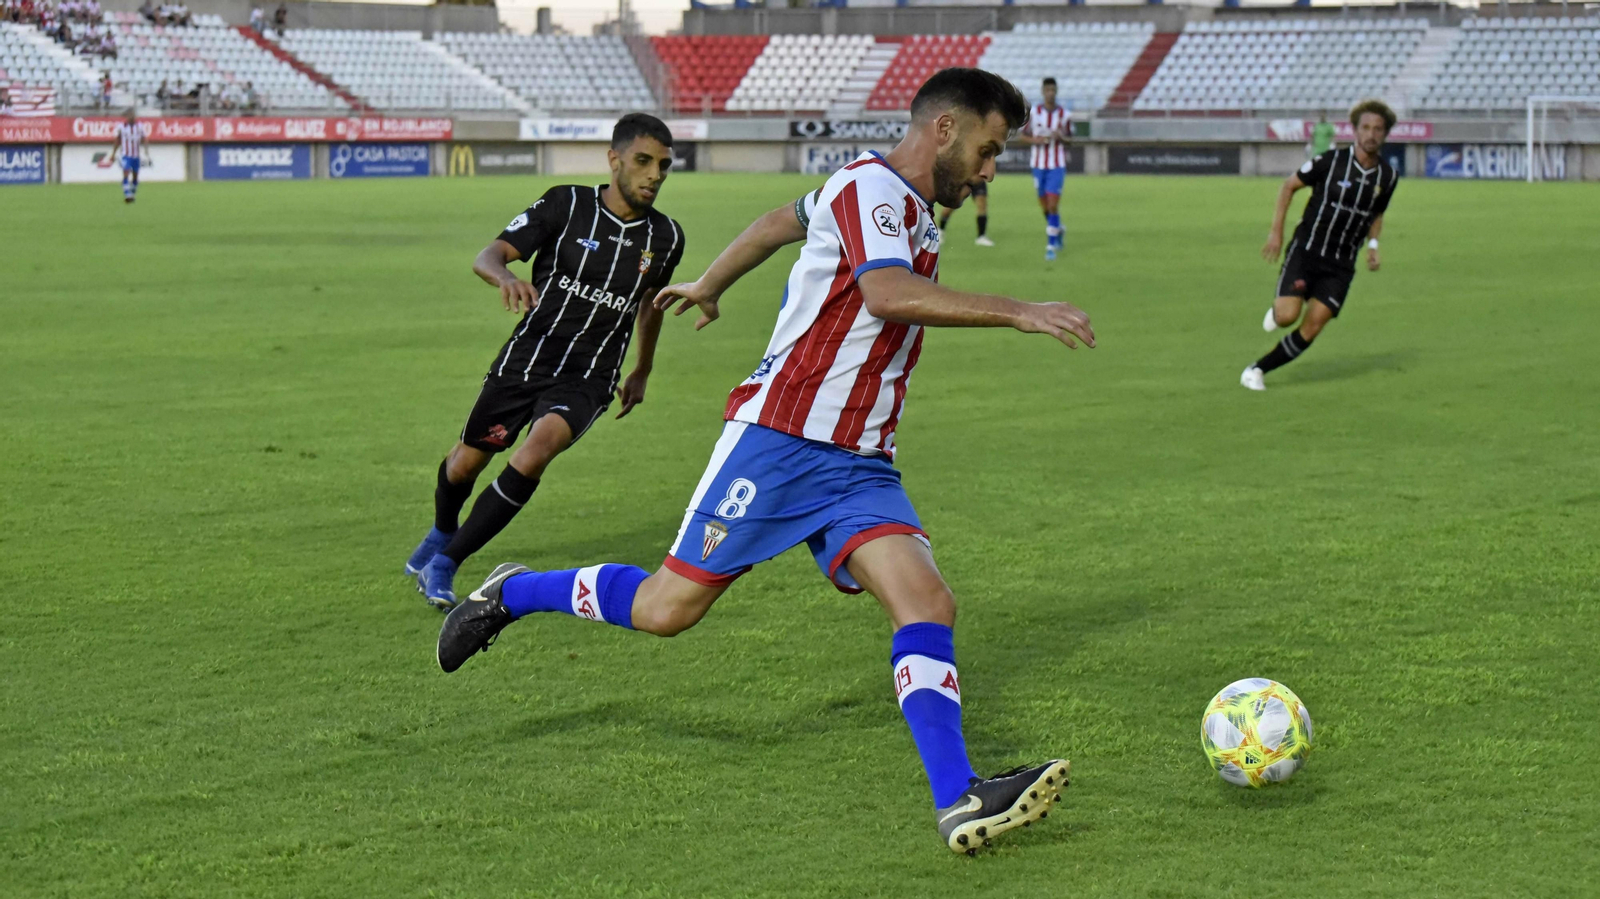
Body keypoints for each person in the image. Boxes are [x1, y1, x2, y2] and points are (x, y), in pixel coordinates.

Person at [435, 68, 1092, 855]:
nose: (991, 172)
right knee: (665, 609)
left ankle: (958, 797)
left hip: (861, 461)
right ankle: (516, 590)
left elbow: (783, 219)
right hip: (781, 442)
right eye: (988, 151)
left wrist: (711, 281)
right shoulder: (872, 188)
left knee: (928, 603)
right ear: (944, 129)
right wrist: (1020, 311)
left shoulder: (904, 207)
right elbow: (883, 293)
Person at [406, 113, 686, 610]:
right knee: (464, 464)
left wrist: (642, 369)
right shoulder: (566, 203)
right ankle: (441, 530)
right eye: (643, 162)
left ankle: (446, 562)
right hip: (526, 361)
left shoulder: (666, 236)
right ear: (614, 159)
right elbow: (488, 255)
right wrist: (505, 278)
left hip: (591, 376)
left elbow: (648, 303)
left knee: (537, 450)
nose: (654, 175)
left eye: (664, 165)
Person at [1243, 99, 1399, 391]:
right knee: (1288, 316)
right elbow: (1289, 186)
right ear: (1354, 130)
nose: (1371, 134)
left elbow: (1377, 212)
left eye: (1378, 129)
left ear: (1385, 134)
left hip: (1340, 265)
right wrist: (1275, 233)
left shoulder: (1388, 177)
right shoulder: (1329, 162)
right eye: (1365, 127)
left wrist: (1374, 245)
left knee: (1313, 326)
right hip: (1307, 253)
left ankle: (1256, 370)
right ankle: (1280, 311)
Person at [1021, 76, 1070, 261]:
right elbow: (1022, 136)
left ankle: (1050, 246)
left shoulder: (1064, 115)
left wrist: (1062, 137)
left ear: (1056, 91)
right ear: (1043, 92)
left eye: (1053, 90)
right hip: (1038, 166)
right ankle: (1058, 229)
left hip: (1057, 165)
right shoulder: (1034, 113)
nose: (1050, 93)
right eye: (1047, 90)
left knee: (1052, 204)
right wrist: (1037, 140)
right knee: (1045, 207)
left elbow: (1071, 140)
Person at [936, 181, 992, 247]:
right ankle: (940, 230)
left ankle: (981, 236)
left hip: (978, 178)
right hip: (963, 179)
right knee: (951, 205)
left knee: (982, 205)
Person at [112, 109, 147, 204]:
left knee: (135, 177)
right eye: (129, 116)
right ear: (126, 117)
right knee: (126, 172)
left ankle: (132, 193)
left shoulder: (140, 126)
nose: (131, 117)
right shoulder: (122, 127)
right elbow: (117, 140)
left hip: (136, 155)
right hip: (125, 155)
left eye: (132, 115)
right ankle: (127, 194)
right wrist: (113, 154)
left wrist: (146, 150)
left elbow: (144, 138)